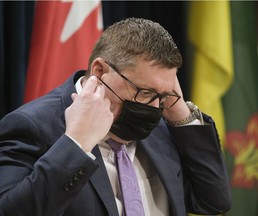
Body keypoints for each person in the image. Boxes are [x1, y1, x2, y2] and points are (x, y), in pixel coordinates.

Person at [0, 18, 231, 216]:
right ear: (100, 72)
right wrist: (76, 144)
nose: (154, 107)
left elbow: (213, 201)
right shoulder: (33, 125)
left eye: (163, 96)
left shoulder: (162, 126)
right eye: (146, 93)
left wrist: (178, 110)